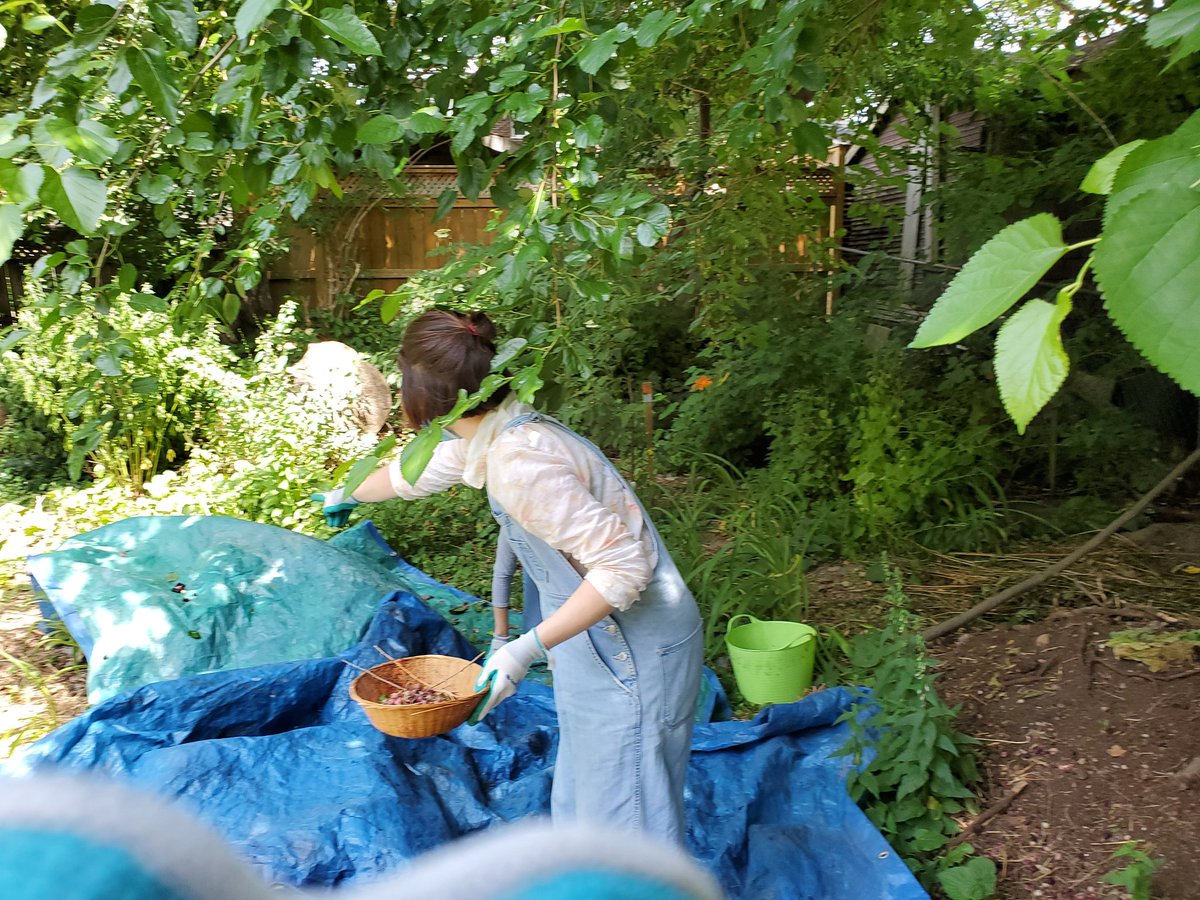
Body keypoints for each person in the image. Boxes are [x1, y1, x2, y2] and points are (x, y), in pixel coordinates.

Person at [316, 309, 704, 845]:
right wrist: (347, 492)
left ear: (421, 397)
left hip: (633, 649)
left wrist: (523, 649)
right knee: (590, 792)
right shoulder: (497, 430)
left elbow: (623, 566)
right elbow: (419, 471)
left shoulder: (521, 463)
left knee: (628, 820)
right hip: (594, 642)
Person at [489, 532, 542, 655]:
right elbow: (502, 574)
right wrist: (500, 639)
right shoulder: (513, 522)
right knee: (534, 640)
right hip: (538, 582)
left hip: (579, 589)